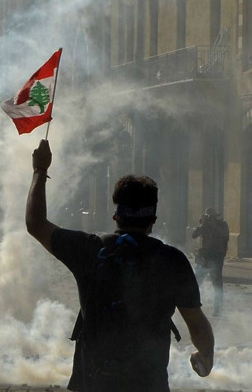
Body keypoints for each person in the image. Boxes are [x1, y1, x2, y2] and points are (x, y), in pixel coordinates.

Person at [26, 139, 214, 392]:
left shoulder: (90, 250)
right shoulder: (172, 261)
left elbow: (35, 223)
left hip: (94, 380)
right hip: (148, 382)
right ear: (153, 220)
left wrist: (40, 170)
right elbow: (196, 321)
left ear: (116, 216)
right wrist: (205, 356)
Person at [192, 207, 230, 317]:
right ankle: (192, 306)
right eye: (208, 217)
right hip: (204, 257)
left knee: (217, 284)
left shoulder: (222, 224)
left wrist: (213, 225)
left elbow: (224, 236)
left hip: (216, 257)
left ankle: (218, 309)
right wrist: (202, 225)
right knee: (196, 282)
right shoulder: (204, 224)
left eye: (211, 217)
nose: (209, 219)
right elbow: (194, 235)